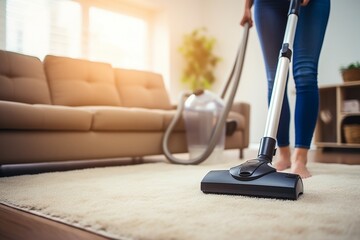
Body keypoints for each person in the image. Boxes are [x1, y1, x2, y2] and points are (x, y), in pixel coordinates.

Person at [240, 0, 330, 178]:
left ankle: (300, 157)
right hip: (267, 4)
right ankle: (283, 154)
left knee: (305, 73)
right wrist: (246, 6)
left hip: (311, 4)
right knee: (276, 79)